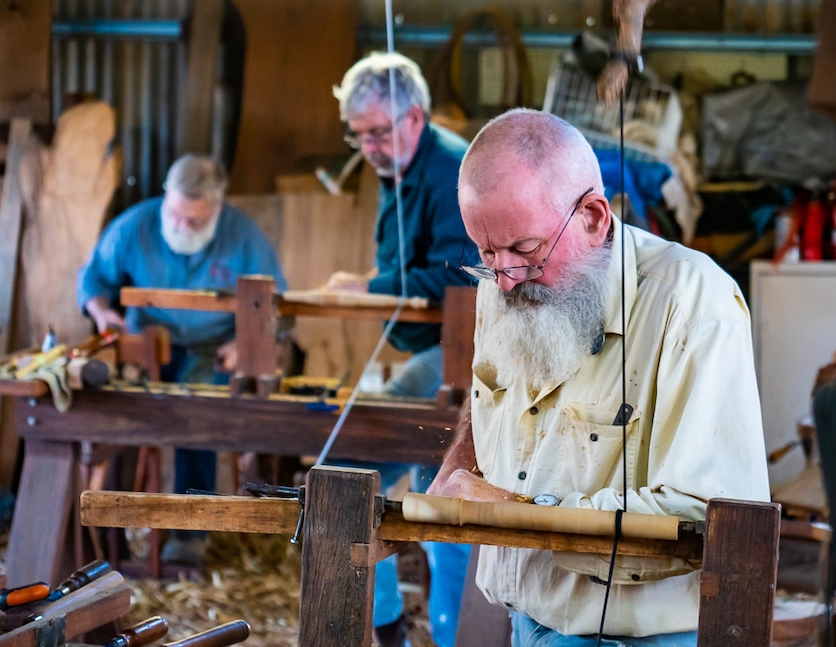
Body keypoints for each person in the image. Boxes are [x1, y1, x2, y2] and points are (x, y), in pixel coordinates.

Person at [427, 108, 771, 646]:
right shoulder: (502, 284)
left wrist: (515, 513)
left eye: (526, 250)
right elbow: (489, 390)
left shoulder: (692, 304)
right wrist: (457, 466)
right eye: (486, 252)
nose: (508, 280)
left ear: (592, 216)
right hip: (528, 621)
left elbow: (710, 521)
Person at [326, 51, 476, 647]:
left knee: (348, 471)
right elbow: (408, 262)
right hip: (433, 346)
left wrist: (371, 288)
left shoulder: (451, 171)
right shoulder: (399, 165)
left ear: (414, 117)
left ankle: (410, 632)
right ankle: (410, 629)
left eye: (377, 132)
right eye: (357, 135)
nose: (367, 147)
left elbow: (460, 276)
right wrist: (378, 281)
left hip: (463, 353)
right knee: (429, 490)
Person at [77, 153, 288, 567]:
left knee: (198, 416)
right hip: (147, 345)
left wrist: (245, 344)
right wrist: (102, 313)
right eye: (176, 216)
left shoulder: (244, 235)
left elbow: (275, 303)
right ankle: (109, 529)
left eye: (195, 221)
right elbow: (93, 279)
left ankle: (190, 534)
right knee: (118, 417)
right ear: (165, 198)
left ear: (218, 207)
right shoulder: (135, 225)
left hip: (212, 350)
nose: (182, 227)